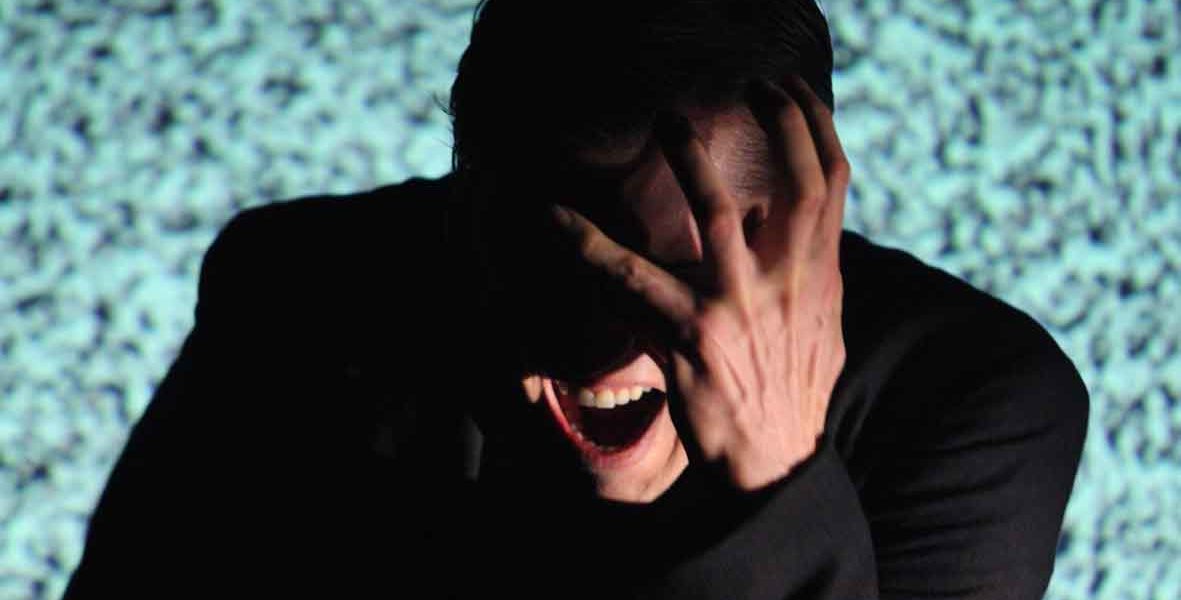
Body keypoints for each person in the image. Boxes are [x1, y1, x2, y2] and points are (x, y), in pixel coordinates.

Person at [62, 0, 1089, 598]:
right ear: (464, 207)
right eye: (563, 255)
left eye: (688, 275)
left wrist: (771, 483)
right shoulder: (302, 294)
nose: (608, 343)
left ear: (804, 232)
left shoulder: (970, 405)